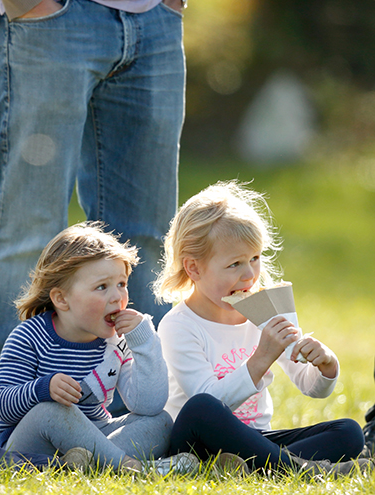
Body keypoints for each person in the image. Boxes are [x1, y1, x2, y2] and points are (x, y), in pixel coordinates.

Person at [0, 0, 186, 436]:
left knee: (144, 242)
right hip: (50, 20)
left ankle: (135, 415)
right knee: (27, 231)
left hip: (154, 19)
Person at [153, 181, 368, 474]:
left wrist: (325, 365)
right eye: (235, 264)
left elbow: (310, 386)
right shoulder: (178, 326)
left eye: (255, 258)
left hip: (257, 438)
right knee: (201, 407)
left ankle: (256, 467)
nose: (250, 274)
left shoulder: (264, 310)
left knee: (349, 432)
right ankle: (302, 469)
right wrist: (260, 360)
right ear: (194, 268)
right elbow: (210, 399)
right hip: (199, 443)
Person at [0, 222, 194, 473]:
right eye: (102, 287)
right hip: (28, 447)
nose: (118, 297)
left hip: (94, 437)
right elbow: (1, 403)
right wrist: (43, 389)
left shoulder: (118, 341)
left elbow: (148, 405)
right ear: (61, 299)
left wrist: (145, 341)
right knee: (51, 412)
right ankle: (133, 468)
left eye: (121, 283)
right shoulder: (29, 336)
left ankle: (87, 464)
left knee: (160, 421)